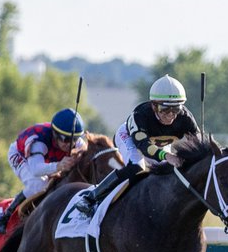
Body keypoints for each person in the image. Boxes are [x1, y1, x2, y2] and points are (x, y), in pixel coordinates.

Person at [74, 74, 201, 217]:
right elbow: (144, 147)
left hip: (156, 144)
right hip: (130, 138)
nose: (170, 115)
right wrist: (167, 155)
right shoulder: (141, 115)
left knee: (167, 169)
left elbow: (199, 144)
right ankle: (91, 198)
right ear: (154, 105)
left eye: (176, 109)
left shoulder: (186, 118)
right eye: (165, 109)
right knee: (137, 165)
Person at [0, 107, 87, 233]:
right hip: (22, 156)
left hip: (45, 159)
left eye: (74, 140)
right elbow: (36, 169)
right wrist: (59, 166)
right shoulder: (38, 142)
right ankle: (5, 217)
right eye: (66, 140)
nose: (70, 145)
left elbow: (85, 152)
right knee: (38, 184)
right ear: (55, 134)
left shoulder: (75, 142)